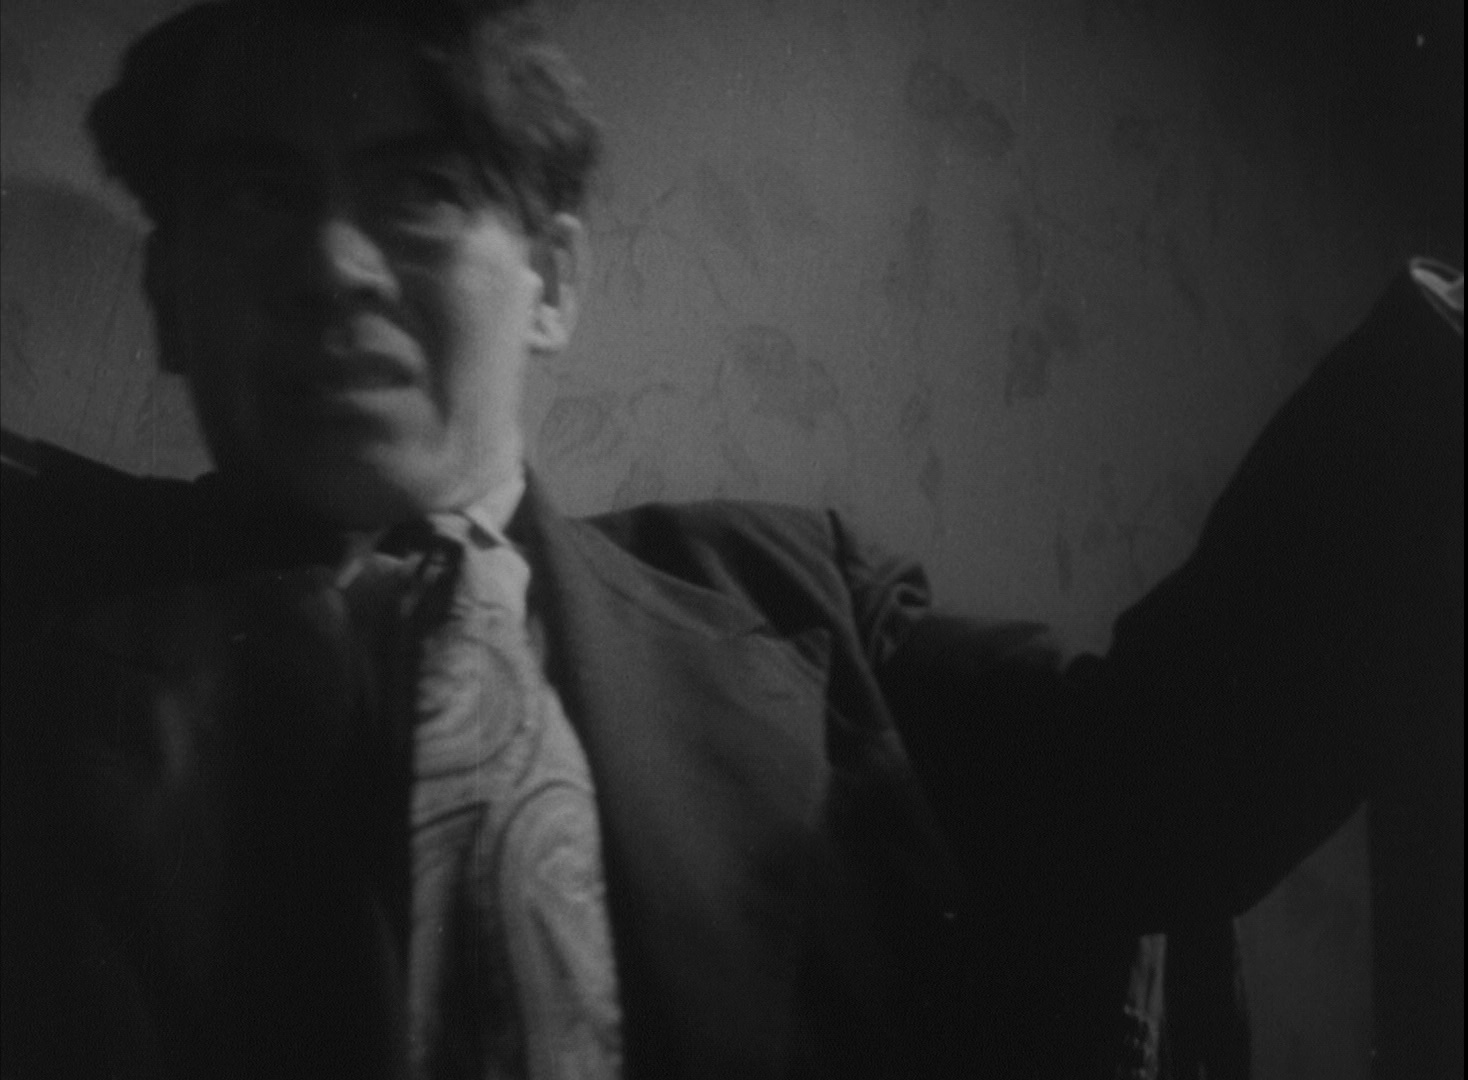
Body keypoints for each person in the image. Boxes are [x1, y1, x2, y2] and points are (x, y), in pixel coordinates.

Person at [0, 1, 1460, 1078]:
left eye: (421, 191)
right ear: (169, 295)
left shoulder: (801, 604)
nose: (332, 264)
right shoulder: (36, 599)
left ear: (554, 284)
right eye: (258, 196)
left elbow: (1164, 794)